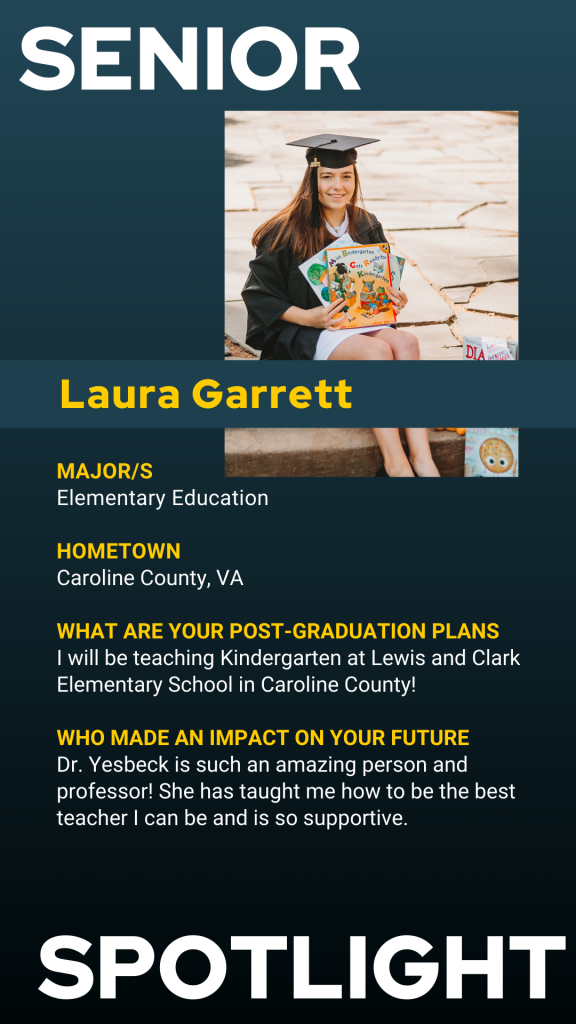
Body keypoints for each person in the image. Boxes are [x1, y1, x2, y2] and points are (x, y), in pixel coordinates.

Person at [241, 134, 440, 477]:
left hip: (356, 324)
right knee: (376, 353)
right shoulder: (284, 230)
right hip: (307, 332)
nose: (338, 185)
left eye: (346, 176)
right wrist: (308, 316)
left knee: (407, 342)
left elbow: (379, 280)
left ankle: (423, 458)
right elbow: (258, 294)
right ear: (312, 180)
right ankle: (396, 464)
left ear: (355, 178)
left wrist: (394, 297)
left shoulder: (365, 222)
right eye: (328, 177)